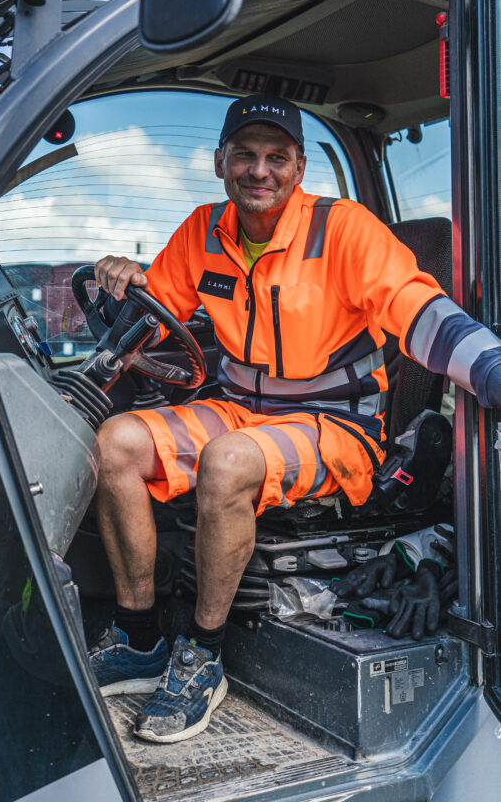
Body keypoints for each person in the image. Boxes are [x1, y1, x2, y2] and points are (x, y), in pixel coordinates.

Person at [87, 93, 501, 744]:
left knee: (228, 462)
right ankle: (140, 641)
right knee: (115, 443)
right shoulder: (201, 232)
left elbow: (417, 310)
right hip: (239, 409)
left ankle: (201, 654)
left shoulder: (342, 230)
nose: (259, 171)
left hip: (334, 424)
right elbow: (151, 322)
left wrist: (488, 367)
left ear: (298, 167)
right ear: (219, 162)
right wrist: (124, 283)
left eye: (275, 157)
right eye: (244, 155)